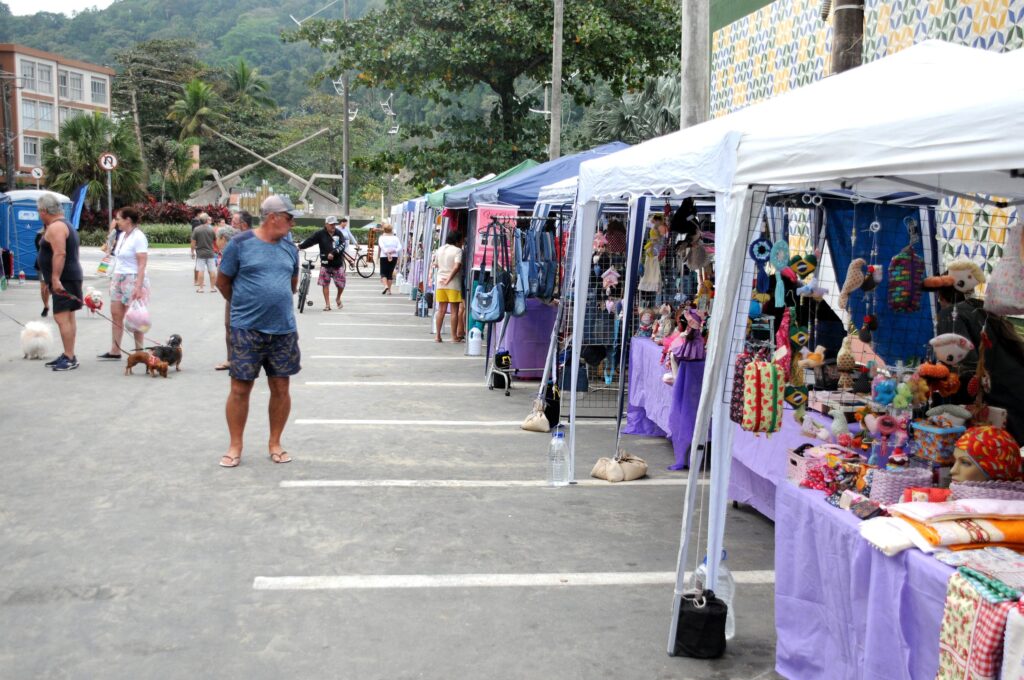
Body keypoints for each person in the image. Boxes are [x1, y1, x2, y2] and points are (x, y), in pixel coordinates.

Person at [215, 194, 302, 467]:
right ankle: (235, 446)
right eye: (289, 218)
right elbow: (222, 282)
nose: (292, 223)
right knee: (240, 388)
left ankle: (275, 442)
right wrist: (244, 306)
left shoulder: (290, 248)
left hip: (283, 330)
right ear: (273, 217)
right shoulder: (240, 244)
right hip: (247, 329)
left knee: (281, 387)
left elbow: (292, 284)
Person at [936, 285, 1024, 442]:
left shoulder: (950, 314)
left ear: (941, 298)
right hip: (1015, 393)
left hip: (1000, 402)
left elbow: (965, 368)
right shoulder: (980, 310)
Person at [36, 193, 83, 371]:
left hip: (65, 278)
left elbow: (60, 253)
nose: (39, 214)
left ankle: (69, 357)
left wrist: (55, 278)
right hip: (70, 276)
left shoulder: (56, 227)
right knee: (68, 316)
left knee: (62, 316)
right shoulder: (65, 224)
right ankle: (68, 354)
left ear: (44, 211)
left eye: (39, 211)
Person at [98, 207, 150, 360]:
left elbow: (142, 263)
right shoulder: (122, 236)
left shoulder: (138, 237)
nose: (116, 221)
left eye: (118, 219)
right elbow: (109, 250)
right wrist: (111, 232)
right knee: (116, 314)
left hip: (132, 278)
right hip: (118, 276)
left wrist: (138, 286)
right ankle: (115, 350)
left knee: (135, 316)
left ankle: (139, 351)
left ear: (128, 220)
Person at [298, 215, 348, 311]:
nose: (333, 226)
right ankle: (327, 305)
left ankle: (338, 298)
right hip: (325, 263)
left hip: (337, 263)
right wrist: (300, 247)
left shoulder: (338, 233)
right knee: (325, 284)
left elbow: (342, 245)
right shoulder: (320, 234)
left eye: (334, 224)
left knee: (341, 284)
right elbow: (310, 241)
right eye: (331, 224)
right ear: (326, 224)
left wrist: (333, 253)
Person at [213, 225, 239, 371]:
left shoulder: (230, 251)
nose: (215, 241)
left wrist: (231, 298)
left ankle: (234, 360)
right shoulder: (232, 250)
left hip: (236, 295)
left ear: (223, 238)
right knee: (230, 326)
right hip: (236, 294)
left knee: (231, 326)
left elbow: (221, 282)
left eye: (217, 238)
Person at [431, 231, 464, 342]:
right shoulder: (458, 251)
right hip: (453, 283)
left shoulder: (440, 249)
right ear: (457, 240)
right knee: (454, 311)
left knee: (441, 310)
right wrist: (449, 278)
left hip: (440, 282)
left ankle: (437, 336)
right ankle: (454, 336)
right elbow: (457, 266)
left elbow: (435, 264)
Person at [191, 215, 218, 293]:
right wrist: (217, 250)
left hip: (200, 253)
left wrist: (192, 252)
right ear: (206, 221)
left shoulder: (196, 230)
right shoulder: (211, 229)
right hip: (210, 253)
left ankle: (201, 288)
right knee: (212, 270)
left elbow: (193, 242)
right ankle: (212, 288)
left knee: (201, 270)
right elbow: (215, 240)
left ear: (200, 221)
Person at [377, 223, 402, 295]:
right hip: (394, 256)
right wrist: (394, 251)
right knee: (390, 273)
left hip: (384, 256)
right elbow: (400, 247)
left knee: (383, 273)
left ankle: (385, 286)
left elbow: (382, 246)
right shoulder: (396, 238)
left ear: (384, 230)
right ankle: (389, 290)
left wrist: (387, 252)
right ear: (391, 230)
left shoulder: (381, 238)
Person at [34, 228, 50, 317]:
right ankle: (46, 306)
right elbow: (39, 248)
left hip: (55, 264)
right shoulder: (39, 235)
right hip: (42, 265)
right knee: (43, 288)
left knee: (52, 287)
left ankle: (58, 306)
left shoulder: (58, 234)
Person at [192, 213, 211, 287]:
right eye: (208, 219)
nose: (209, 220)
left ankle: (200, 281)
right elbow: (193, 240)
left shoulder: (209, 228)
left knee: (202, 266)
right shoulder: (197, 227)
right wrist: (193, 250)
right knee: (199, 265)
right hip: (200, 248)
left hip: (206, 248)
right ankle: (196, 280)